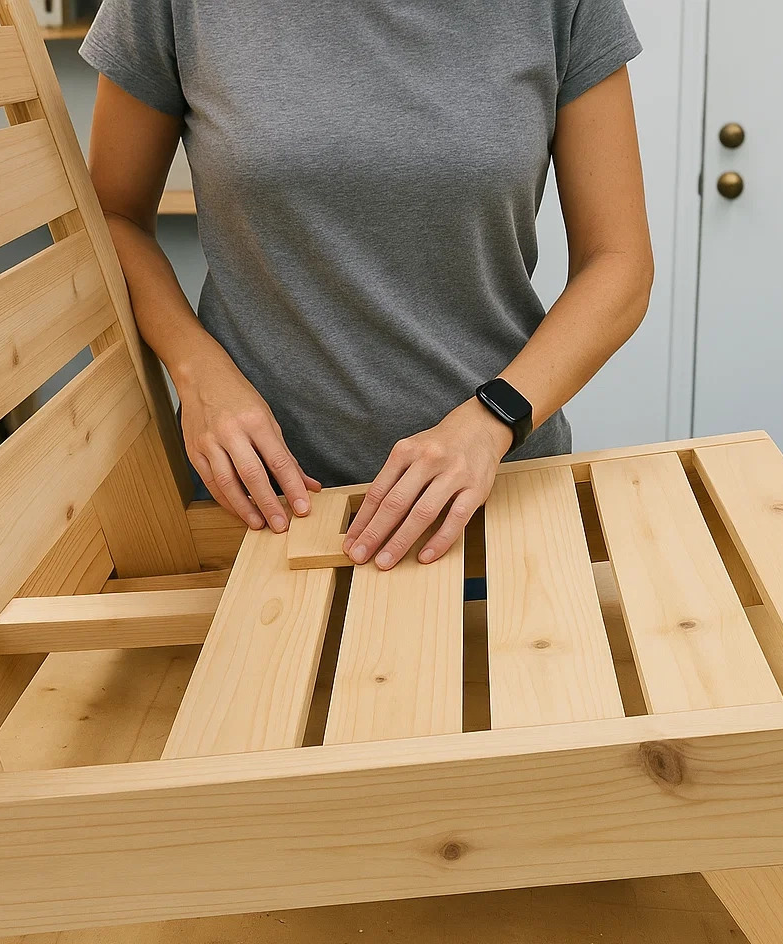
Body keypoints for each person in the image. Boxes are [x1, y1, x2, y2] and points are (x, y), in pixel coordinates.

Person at [80, 0, 653, 570]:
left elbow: (619, 261)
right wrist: (197, 371)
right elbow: (112, 216)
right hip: (262, 509)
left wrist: (492, 419)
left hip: (487, 506)